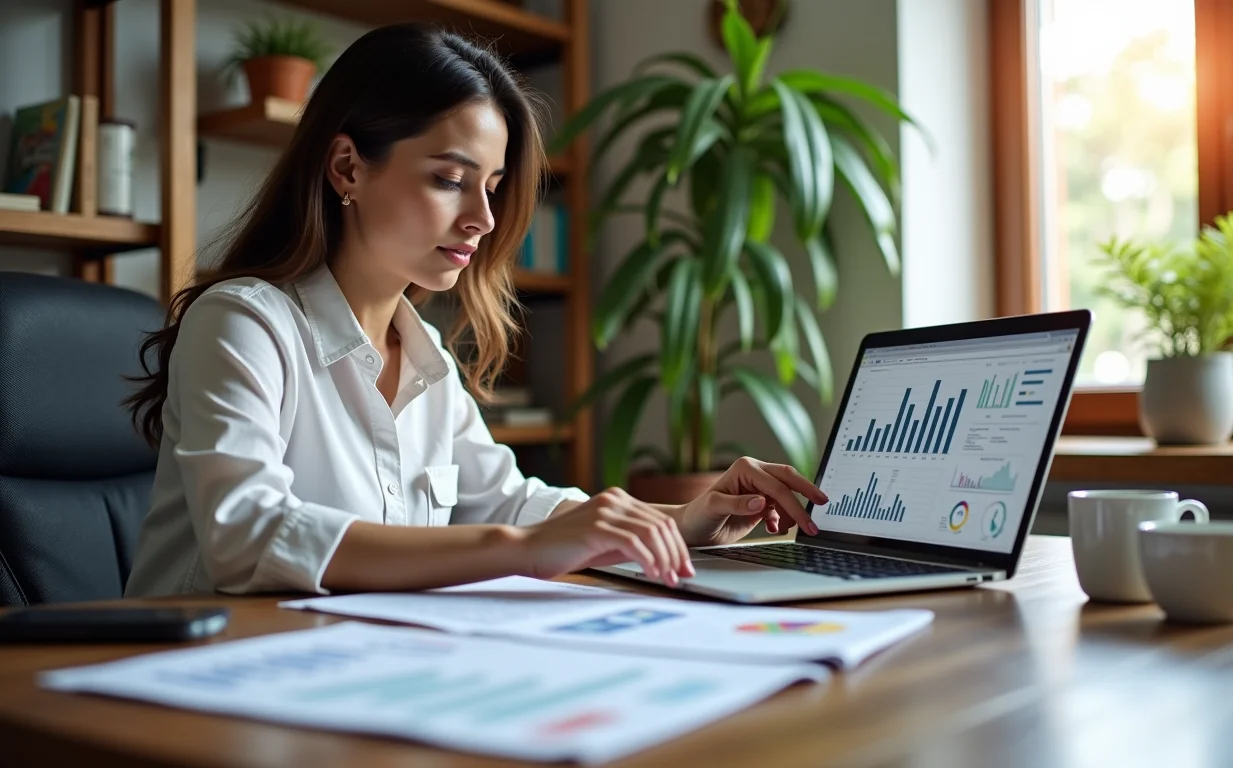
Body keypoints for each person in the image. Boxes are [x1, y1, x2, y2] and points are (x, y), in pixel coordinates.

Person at [122, 23, 826, 599]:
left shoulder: (422, 353)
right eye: (450, 180)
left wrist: (686, 518)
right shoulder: (245, 324)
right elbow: (247, 536)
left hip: (345, 670)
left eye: (491, 186)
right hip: (187, 681)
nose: (483, 219)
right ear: (346, 168)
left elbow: (512, 502)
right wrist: (517, 550)